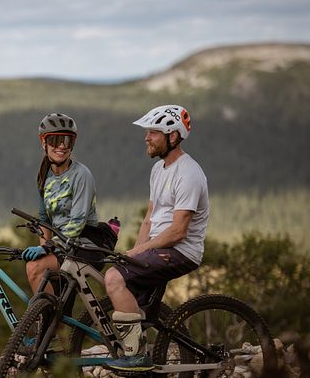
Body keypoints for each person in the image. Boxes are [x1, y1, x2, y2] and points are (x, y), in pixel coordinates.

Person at [103, 105, 209, 372]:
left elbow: (178, 231)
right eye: (147, 132)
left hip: (181, 250)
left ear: (172, 137)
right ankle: (144, 340)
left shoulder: (189, 174)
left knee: (114, 278)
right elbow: (150, 218)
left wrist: (138, 253)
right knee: (124, 283)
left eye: (154, 132)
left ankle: (136, 356)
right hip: (162, 246)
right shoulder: (159, 170)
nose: (146, 137)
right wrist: (135, 250)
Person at [21, 113, 115, 294]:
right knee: (59, 314)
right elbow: (44, 220)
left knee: (34, 269)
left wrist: (47, 248)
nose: (62, 146)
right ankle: (50, 319)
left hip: (85, 245)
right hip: (61, 246)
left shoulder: (81, 174)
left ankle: (45, 315)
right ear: (44, 143)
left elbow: (77, 224)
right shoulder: (44, 176)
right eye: (56, 140)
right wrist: (44, 247)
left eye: (67, 140)